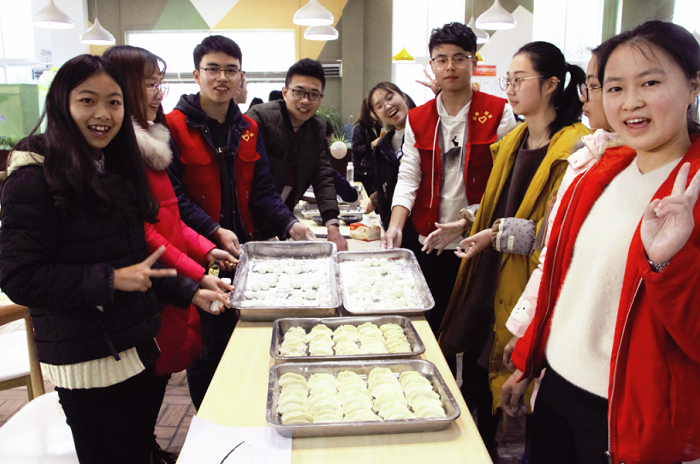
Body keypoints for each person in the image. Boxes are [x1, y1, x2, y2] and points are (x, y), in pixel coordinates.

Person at [0, 54, 227, 464]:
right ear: (61, 103)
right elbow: (20, 276)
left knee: (137, 450)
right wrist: (108, 280)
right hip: (86, 358)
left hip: (135, 346)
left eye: (114, 102)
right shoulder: (35, 176)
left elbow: (136, 258)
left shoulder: (114, 167)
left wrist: (191, 289)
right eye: (87, 100)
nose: (103, 114)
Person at [509, 21, 700, 463]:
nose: (630, 102)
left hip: (627, 414)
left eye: (650, 83)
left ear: (693, 85)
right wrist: (528, 359)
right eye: (614, 88)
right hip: (557, 389)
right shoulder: (600, 171)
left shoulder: (691, 190)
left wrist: (667, 265)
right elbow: (563, 279)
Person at [438, 41, 589, 458]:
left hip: (528, 289)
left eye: (520, 80)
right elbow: (498, 203)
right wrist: (466, 222)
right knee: (477, 385)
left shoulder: (576, 149)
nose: (510, 88)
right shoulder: (514, 139)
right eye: (508, 80)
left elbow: (556, 234)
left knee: (516, 400)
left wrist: (493, 234)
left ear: (551, 84)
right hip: (490, 281)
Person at [102, 44, 237, 463]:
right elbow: (142, 233)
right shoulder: (119, 154)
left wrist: (207, 247)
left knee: (157, 381)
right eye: (148, 84)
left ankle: (149, 447)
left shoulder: (150, 142)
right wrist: (195, 273)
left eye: (159, 82)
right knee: (141, 387)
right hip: (154, 283)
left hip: (173, 276)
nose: (157, 92)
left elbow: (172, 218)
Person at [166, 35, 314, 409]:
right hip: (196, 257)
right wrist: (212, 230)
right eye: (213, 69)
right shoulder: (172, 126)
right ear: (196, 75)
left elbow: (262, 191)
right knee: (205, 348)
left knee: (245, 341)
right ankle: (209, 421)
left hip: (241, 255)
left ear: (240, 76)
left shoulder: (248, 127)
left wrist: (289, 224)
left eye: (231, 70)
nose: (222, 77)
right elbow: (173, 199)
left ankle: (243, 414)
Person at [500, 45, 624, 421]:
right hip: (558, 339)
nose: (630, 101)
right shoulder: (585, 155)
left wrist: (498, 233)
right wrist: (528, 336)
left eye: (648, 83)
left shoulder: (578, 148)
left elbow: (547, 241)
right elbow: (555, 255)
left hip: (607, 367)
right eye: (605, 87)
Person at [381, 22, 517, 336]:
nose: (450, 67)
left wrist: (469, 221)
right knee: (432, 323)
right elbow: (409, 174)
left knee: (474, 330)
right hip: (430, 240)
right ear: (432, 65)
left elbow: (505, 182)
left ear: (473, 61)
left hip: (478, 240)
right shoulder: (418, 118)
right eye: (441, 59)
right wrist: (396, 225)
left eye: (459, 58)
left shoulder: (499, 113)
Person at [247, 58, 348, 251]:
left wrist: (333, 226)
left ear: (321, 98)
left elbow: (323, 177)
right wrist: (272, 229)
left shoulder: (317, 128)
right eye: (298, 92)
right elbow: (256, 184)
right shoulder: (260, 119)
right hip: (249, 220)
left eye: (313, 94)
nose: (305, 100)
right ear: (285, 92)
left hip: (281, 217)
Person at [363, 82, 415, 231]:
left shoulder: (428, 134)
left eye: (390, 97)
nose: (387, 106)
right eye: (379, 106)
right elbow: (384, 187)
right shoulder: (383, 146)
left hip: (427, 229)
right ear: (376, 115)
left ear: (404, 97)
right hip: (397, 229)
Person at [351, 98, 382, 195]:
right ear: (367, 111)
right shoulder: (359, 128)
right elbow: (356, 149)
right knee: (367, 196)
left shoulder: (379, 127)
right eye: (375, 109)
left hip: (377, 169)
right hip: (364, 170)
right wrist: (372, 144)